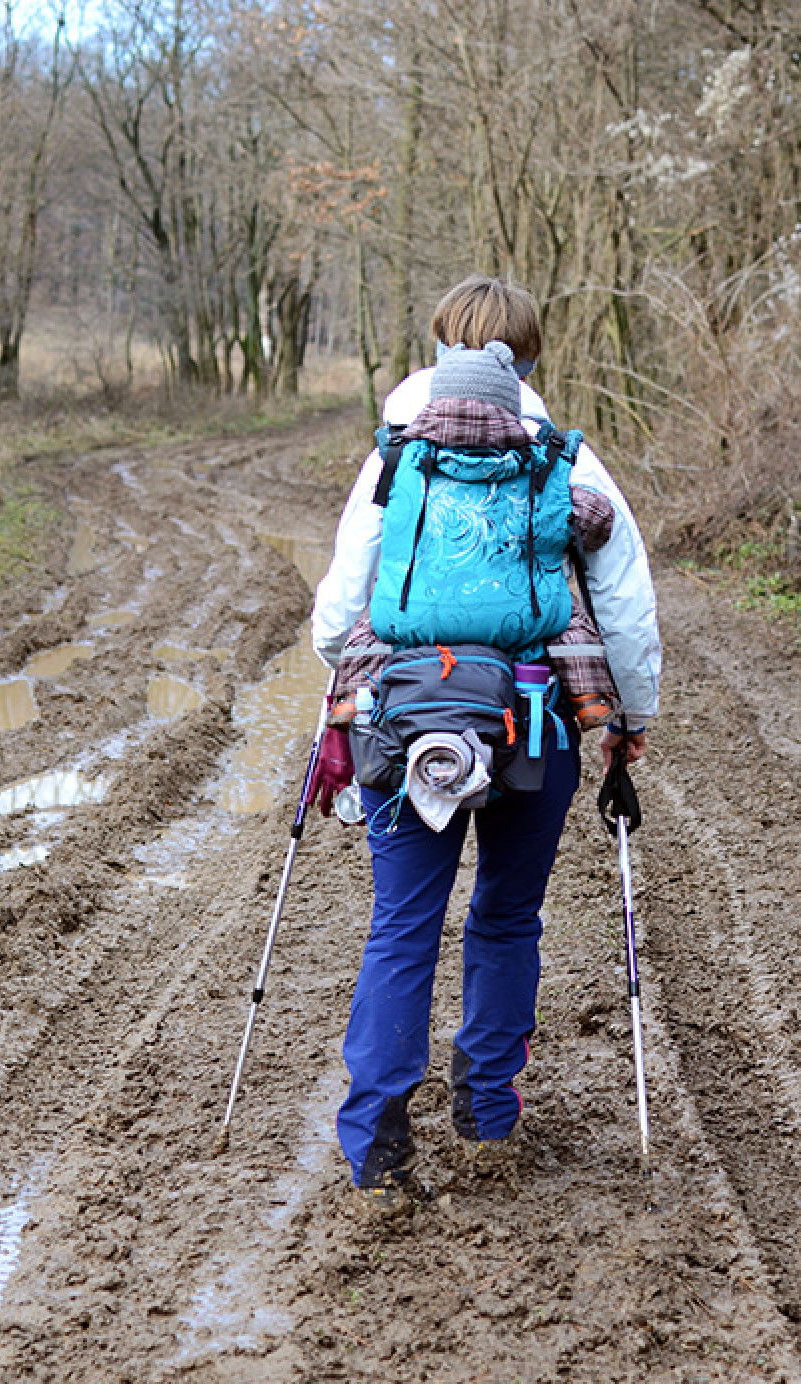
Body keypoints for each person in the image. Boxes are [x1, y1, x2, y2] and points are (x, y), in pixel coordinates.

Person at [310, 274, 662, 1207]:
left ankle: (377, 1147)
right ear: (532, 355)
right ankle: (488, 1119)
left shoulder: (397, 453)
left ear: (436, 350)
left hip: (409, 724)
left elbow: (345, 594)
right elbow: (624, 599)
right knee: (506, 917)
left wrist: (343, 680)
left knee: (401, 927)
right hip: (535, 719)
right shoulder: (565, 461)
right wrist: (630, 719)